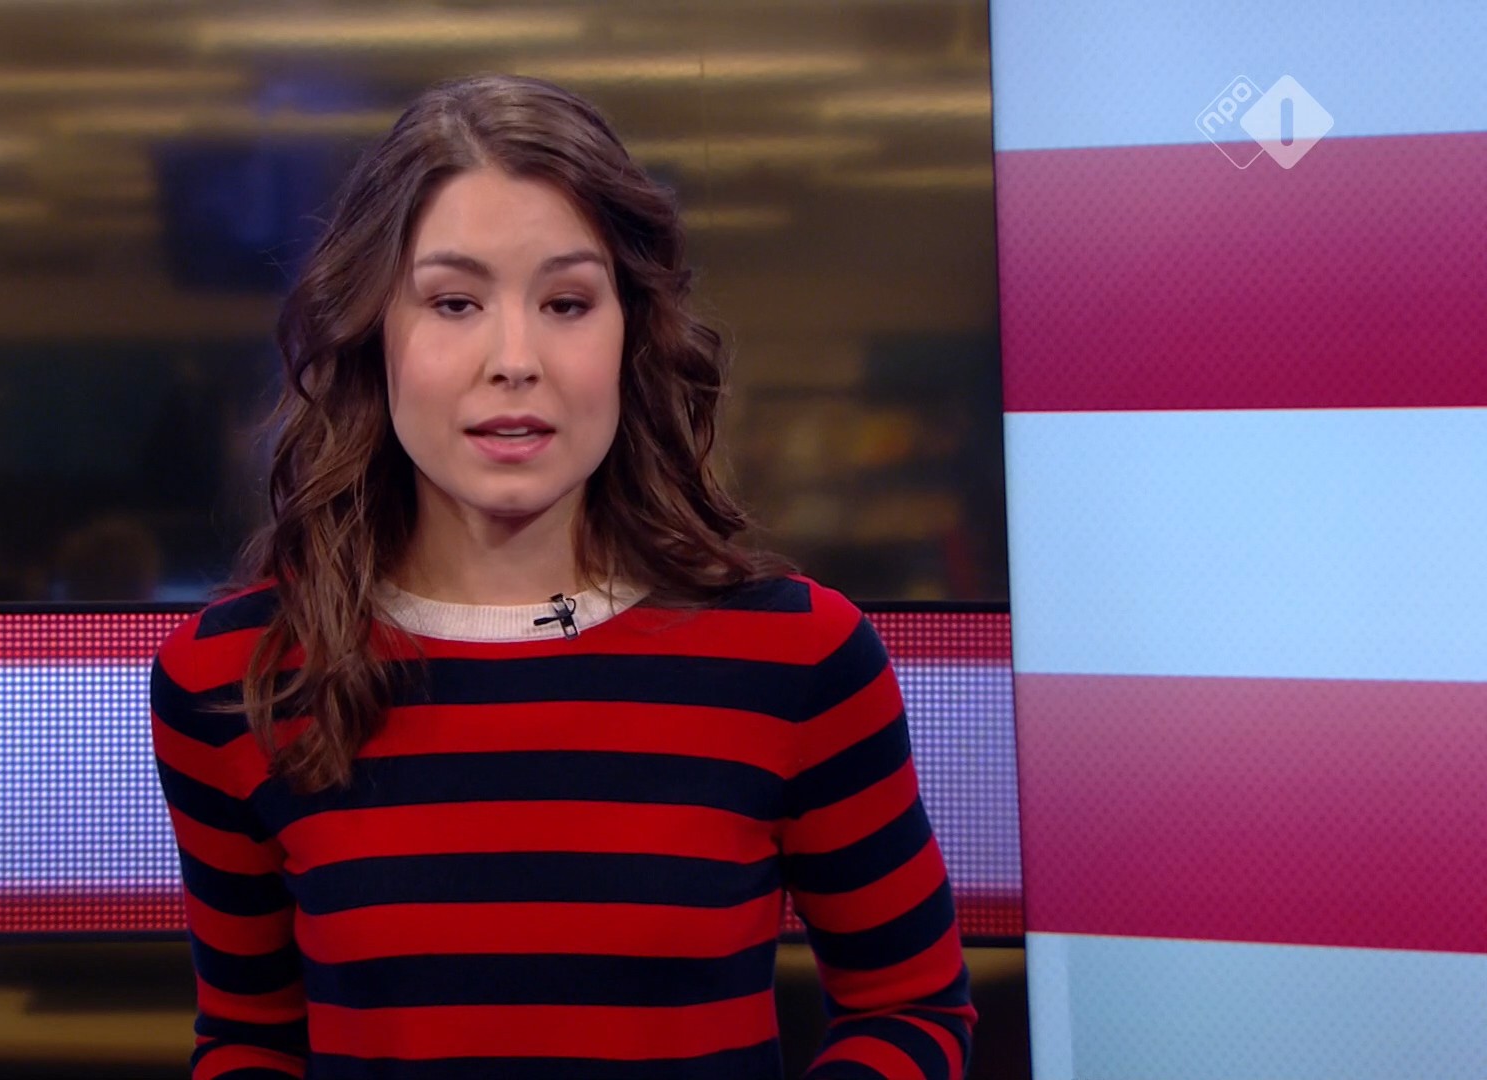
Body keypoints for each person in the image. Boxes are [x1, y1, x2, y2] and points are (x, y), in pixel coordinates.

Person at [149, 74, 975, 1080]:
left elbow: (910, 1007)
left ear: (631, 334)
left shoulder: (798, 659)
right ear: (373, 334)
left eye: (567, 303)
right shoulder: (235, 677)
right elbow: (251, 1040)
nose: (515, 358)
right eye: (455, 302)